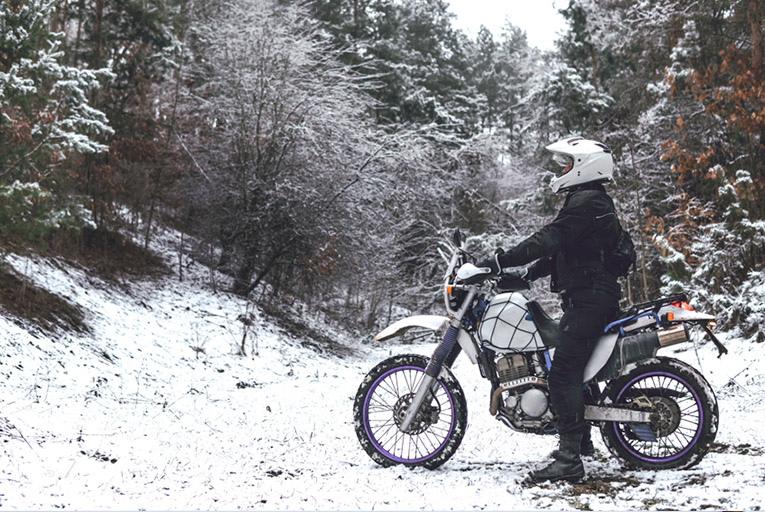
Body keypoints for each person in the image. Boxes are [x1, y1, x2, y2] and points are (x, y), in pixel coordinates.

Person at [475, 136, 622, 483]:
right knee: (571, 365)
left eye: (567, 163)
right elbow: (563, 253)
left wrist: (500, 260)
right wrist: (525, 274)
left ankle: (569, 461)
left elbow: (549, 239)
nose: (561, 170)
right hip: (590, 298)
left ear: (586, 166)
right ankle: (582, 444)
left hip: (590, 300)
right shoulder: (590, 201)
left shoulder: (587, 201)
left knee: (562, 374)